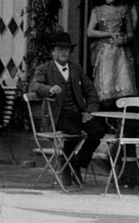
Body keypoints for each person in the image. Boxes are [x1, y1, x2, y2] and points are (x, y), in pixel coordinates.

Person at [29, 31, 107, 182]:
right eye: (60, 49)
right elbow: (34, 85)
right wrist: (48, 89)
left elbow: (91, 91)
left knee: (98, 131)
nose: (64, 52)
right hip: (57, 116)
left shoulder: (75, 68)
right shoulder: (44, 69)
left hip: (77, 113)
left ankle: (77, 162)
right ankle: (66, 166)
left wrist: (89, 111)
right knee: (75, 132)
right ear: (52, 52)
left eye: (67, 49)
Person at [85, 0, 137, 103]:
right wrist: (110, 34)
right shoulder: (97, 10)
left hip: (120, 53)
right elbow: (90, 31)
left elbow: (130, 33)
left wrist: (126, 38)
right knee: (106, 84)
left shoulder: (124, 9)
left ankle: (120, 115)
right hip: (105, 51)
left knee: (122, 85)